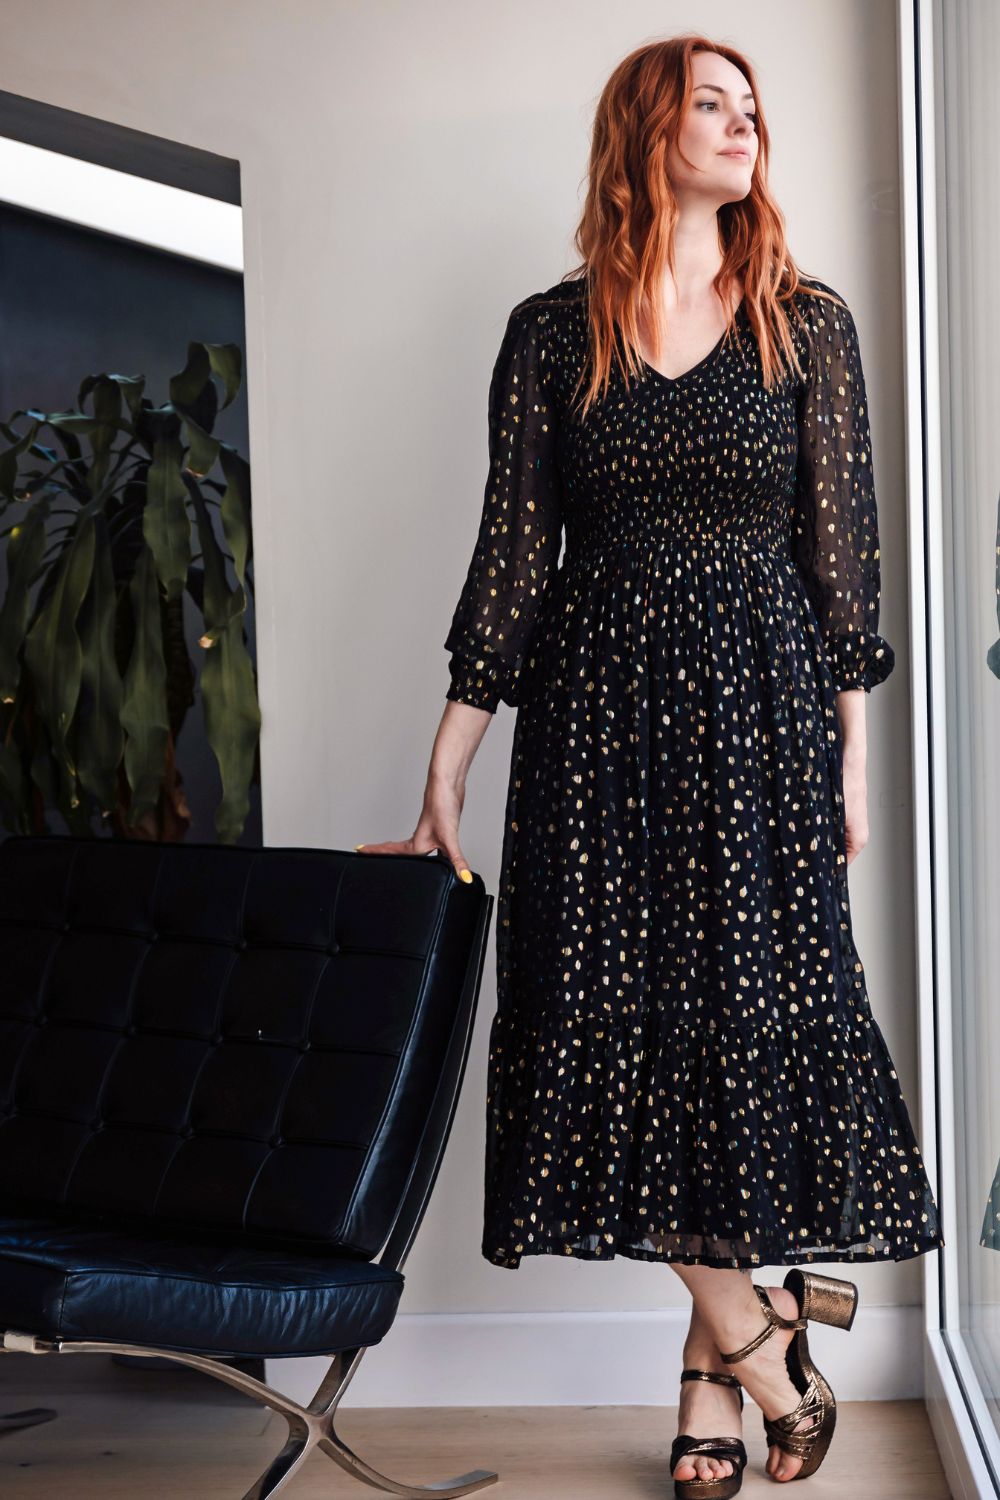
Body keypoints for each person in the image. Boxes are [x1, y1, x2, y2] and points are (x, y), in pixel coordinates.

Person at [357, 32, 944, 1496]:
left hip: (760, 724)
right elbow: (512, 564)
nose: (746, 128)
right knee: (612, 1014)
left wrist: (854, 760)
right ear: (646, 133)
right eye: (714, 105)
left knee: (732, 1026)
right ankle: (758, 1343)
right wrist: (446, 764)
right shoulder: (555, 334)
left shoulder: (807, 322)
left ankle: (713, 1360)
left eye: (757, 109)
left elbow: (842, 571)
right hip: (595, 732)